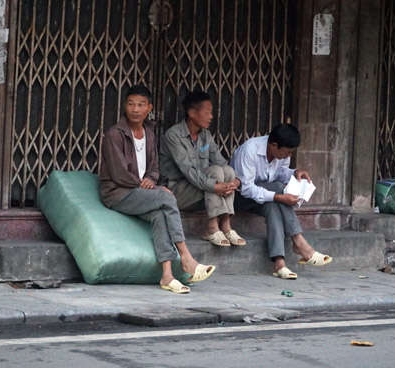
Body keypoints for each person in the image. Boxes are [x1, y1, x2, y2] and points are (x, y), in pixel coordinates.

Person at [99, 84, 215, 294]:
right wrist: (148, 186)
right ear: (125, 106)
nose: (135, 109)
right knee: (166, 197)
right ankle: (187, 258)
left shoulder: (149, 133)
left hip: (140, 192)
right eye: (131, 104)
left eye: (141, 104)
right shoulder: (115, 134)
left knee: (160, 215)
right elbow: (118, 173)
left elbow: (154, 167)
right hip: (118, 193)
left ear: (149, 108)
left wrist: (151, 181)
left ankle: (167, 275)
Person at [230, 123, 332, 279]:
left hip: (262, 199)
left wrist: (295, 173)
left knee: (272, 206)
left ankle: (279, 262)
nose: (288, 156)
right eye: (286, 152)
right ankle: (299, 241)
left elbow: (281, 174)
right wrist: (278, 196)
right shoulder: (250, 151)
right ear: (274, 145)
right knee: (277, 189)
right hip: (238, 198)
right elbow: (246, 188)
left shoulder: (282, 155)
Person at [159, 91, 245, 247]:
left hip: (201, 189)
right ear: (191, 113)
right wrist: (214, 185)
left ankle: (225, 224)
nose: (211, 116)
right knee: (216, 173)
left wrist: (235, 181)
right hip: (177, 192)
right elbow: (188, 170)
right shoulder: (173, 136)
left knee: (227, 171)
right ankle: (212, 227)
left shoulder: (206, 135)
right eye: (207, 112)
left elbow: (220, 161)